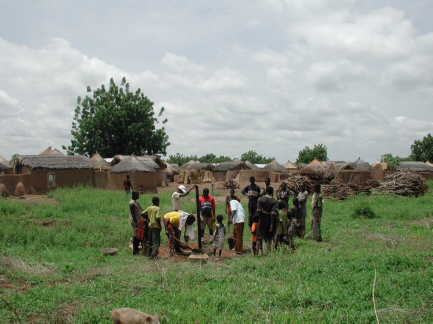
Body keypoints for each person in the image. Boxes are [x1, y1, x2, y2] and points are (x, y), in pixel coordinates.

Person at [257, 186, 278, 254]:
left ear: (266, 191)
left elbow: (259, 211)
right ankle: (268, 252)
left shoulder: (260, 199)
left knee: (261, 236)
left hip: (261, 220)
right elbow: (273, 213)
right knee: (269, 237)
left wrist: (259, 220)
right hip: (270, 220)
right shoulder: (274, 201)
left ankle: (260, 252)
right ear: (272, 192)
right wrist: (271, 225)